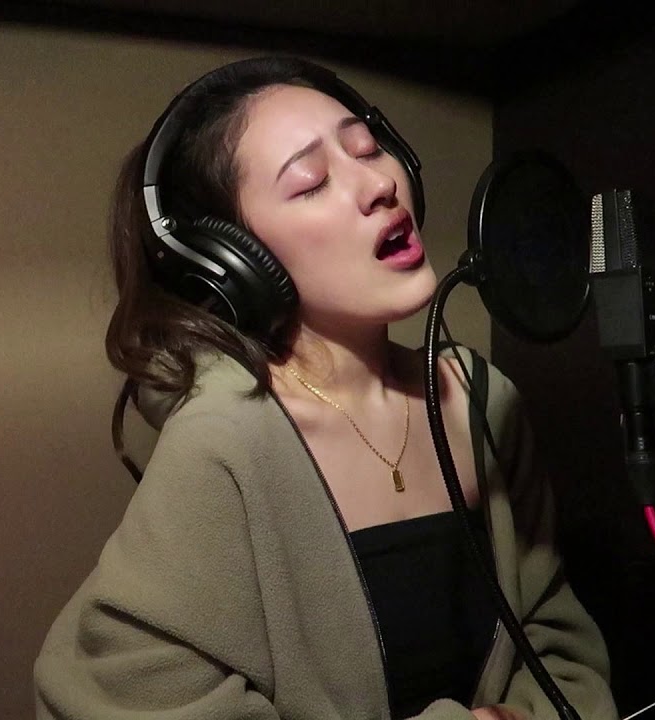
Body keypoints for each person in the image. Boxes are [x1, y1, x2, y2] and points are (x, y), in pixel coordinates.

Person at [34, 56, 617, 720]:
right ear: (236, 260)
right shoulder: (226, 443)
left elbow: (557, 642)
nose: (378, 184)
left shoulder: (482, 398)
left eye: (369, 149)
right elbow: (113, 696)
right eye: (311, 183)